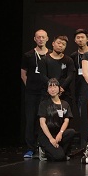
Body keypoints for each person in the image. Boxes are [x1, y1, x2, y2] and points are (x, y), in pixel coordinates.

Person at [20, 29, 49, 158]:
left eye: (43, 37)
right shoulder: (28, 55)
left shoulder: (51, 55)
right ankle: (30, 148)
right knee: (31, 120)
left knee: (45, 120)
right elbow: (23, 74)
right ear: (35, 39)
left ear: (47, 39)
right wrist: (30, 86)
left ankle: (44, 147)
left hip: (46, 93)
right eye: (38, 37)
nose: (41, 39)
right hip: (31, 93)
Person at [37, 78, 75, 161]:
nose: (52, 89)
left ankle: (60, 151)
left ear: (59, 88)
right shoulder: (44, 104)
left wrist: (60, 133)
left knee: (71, 132)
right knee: (59, 157)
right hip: (47, 135)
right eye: (50, 87)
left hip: (58, 133)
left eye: (54, 87)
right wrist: (51, 138)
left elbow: (66, 121)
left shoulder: (65, 104)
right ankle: (44, 151)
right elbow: (42, 123)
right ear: (47, 90)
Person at [39, 35, 75, 115]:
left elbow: (70, 76)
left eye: (63, 44)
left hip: (64, 93)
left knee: (66, 117)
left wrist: (61, 88)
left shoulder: (69, 60)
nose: (61, 45)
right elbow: (43, 76)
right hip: (48, 93)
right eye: (59, 43)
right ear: (53, 43)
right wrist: (53, 87)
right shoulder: (44, 60)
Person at [70, 28, 88, 133]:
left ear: (87, 39)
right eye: (78, 38)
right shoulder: (73, 56)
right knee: (82, 115)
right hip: (79, 89)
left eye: (82, 37)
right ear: (75, 40)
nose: (80, 39)